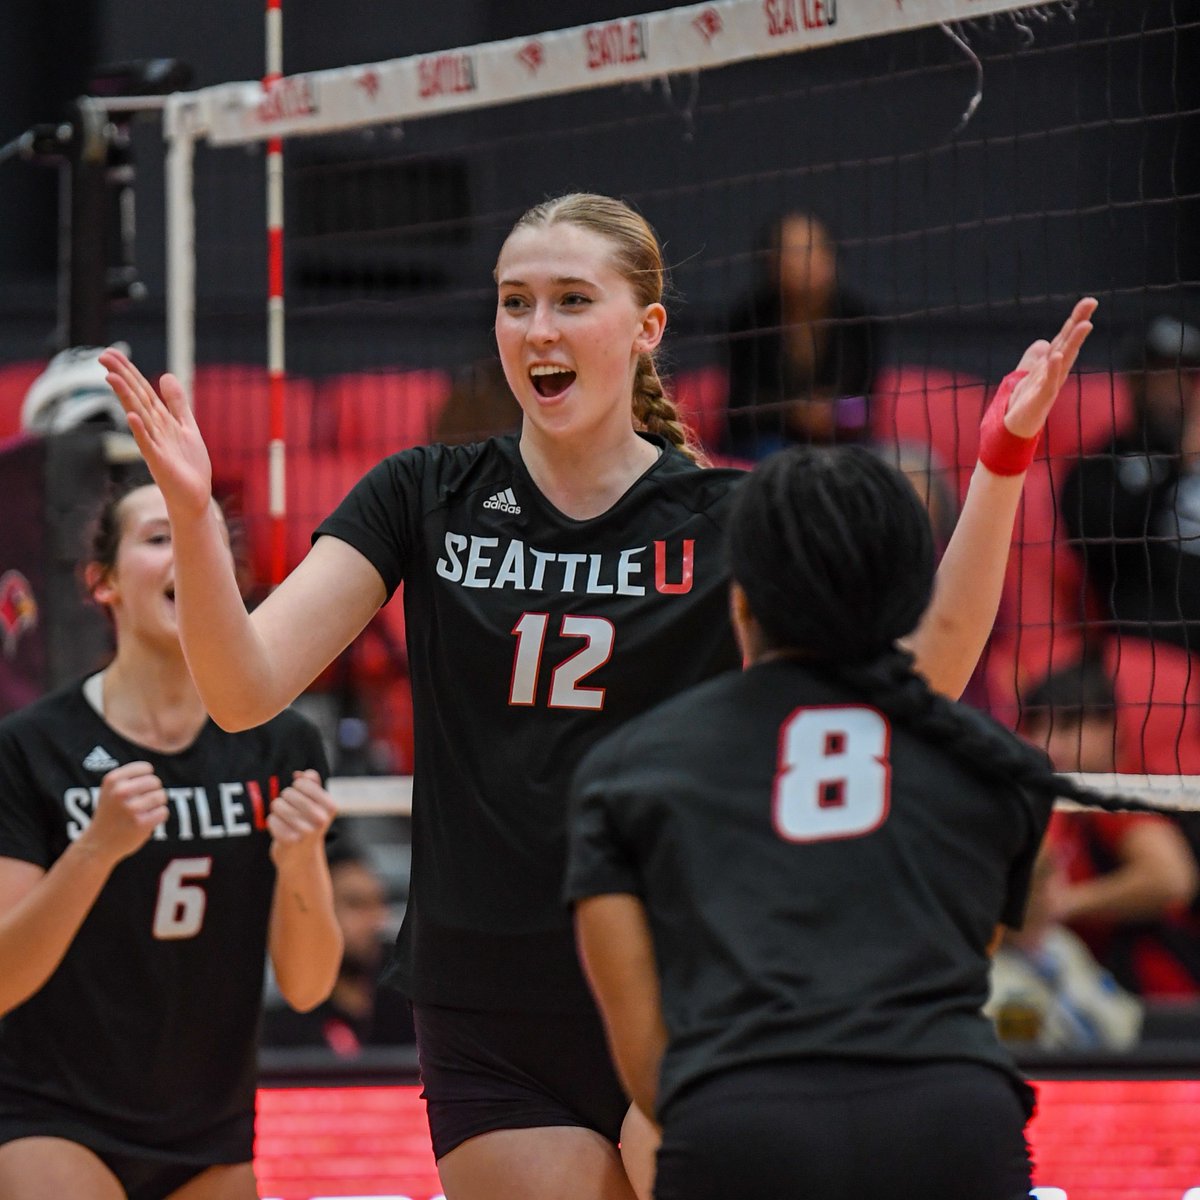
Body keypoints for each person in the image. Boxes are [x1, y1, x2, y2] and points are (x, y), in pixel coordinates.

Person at [100, 191, 1095, 1200]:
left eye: (573, 299)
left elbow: (918, 678)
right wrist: (194, 513)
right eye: (515, 302)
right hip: (488, 1004)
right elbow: (244, 691)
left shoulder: (727, 513)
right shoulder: (422, 494)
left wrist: (1001, 466)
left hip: (685, 979)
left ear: (646, 327)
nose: (538, 329)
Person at [564, 444, 1138, 1199]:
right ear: (912, 595)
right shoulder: (998, 766)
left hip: (742, 1127)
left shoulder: (628, 771)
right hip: (949, 1126)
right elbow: (966, 962)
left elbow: (645, 1054)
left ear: (741, 598)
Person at [0, 475, 342, 1200]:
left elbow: (310, 986)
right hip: (50, 1115)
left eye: (206, 535)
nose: (189, 549)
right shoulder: (32, 746)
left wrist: (302, 861)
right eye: (161, 537)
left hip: (210, 1129)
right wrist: (95, 849)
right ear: (102, 582)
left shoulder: (282, 742)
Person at [1019, 657, 1200, 997]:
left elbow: (1172, 879)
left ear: (1110, 728)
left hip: (1162, 995)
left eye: (1067, 727)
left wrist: (1065, 904)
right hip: (1105, 990)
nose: (1049, 744)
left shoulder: (1118, 799)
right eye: (1037, 728)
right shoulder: (1065, 801)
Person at [1062, 315, 1200, 651]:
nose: (1175, 389)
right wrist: (1176, 467)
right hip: (1155, 645)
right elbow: (1099, 541)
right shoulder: (1101, 465)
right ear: (1135, 380)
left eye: (1185, 375)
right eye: (1161, 374)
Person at [722, 210, 880, 459]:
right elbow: (741, 406)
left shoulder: (858, 320)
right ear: (771, 262)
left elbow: (865, 404)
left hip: (842, 444)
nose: (805, 261)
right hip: (767, 443)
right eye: (792, 252)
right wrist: (794, 412)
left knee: (913, 458)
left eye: (815, 249)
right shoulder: (748, 319)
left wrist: (833, 412)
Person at [984, 840, 1144, 1052]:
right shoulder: (985, 968)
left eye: (1051, 877)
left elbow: (1125, 1021)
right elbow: (1026, 1050)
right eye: (1037, 884)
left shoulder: (1061, 944)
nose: (1049, 893)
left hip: (1109, 1066)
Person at [262, 838, 416, 1053]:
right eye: (356, 904)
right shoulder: (280, 1031)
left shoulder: (411, 1014)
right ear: (316, 915)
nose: (376, 920)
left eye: (379, 903)